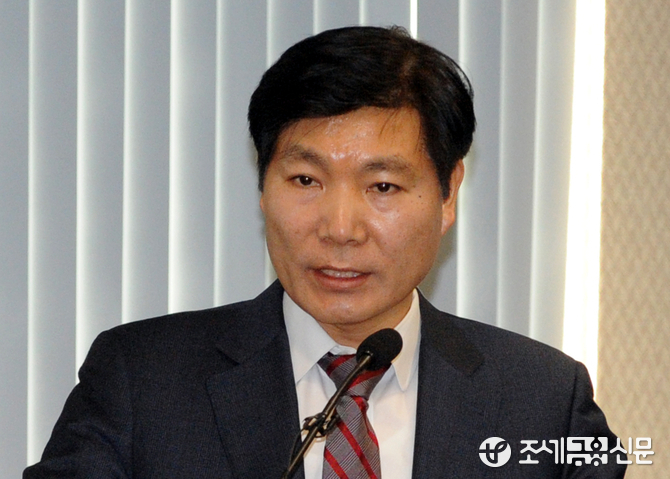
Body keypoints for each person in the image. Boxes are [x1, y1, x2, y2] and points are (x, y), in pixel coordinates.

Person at [25, 26, 625, 478]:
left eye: (382, 187)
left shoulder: (542, 400)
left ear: (448, 194)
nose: (340, 229)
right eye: (305, 180)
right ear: (263, 187)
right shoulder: (142, 381)